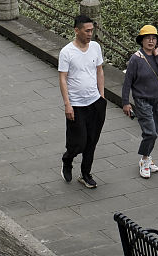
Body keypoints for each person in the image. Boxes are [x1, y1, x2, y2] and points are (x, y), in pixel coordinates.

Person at [58, 14, 106, 189]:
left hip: (95, 103)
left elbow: (99, 71)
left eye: (92, 30)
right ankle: (68, 158)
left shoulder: (95, 47)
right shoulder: (67, 52)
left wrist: (102, 95)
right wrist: (67, 104)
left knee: (92, 142)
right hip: (76, 105)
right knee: (79, 142)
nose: (90, 34)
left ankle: (86, 173)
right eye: (87, 31)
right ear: (76, 30)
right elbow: (63, 79)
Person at [121, 24, 158, 179]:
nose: (150, 41)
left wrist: (157, 54)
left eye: (153, 38)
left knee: (154, 131)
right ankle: (144, 160)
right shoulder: (136, 59)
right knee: (151, 133)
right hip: (142, 100)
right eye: (147, 38)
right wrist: (125, 102)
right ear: (141, 41)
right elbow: (127, 82)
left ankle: (148, 157)